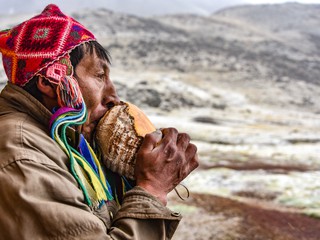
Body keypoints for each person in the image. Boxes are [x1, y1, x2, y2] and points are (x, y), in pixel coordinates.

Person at [0, 4, 198, 239]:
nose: (113, 96)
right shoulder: (22, 154)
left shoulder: (65, 139)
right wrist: (152, 189)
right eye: (100, 76)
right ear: (50, 82)